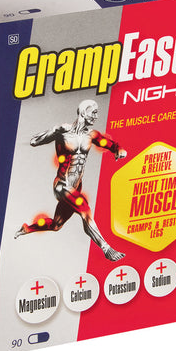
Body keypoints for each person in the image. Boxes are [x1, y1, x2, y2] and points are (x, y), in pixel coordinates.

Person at [15, 99, 127, 261]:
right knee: (84, 209)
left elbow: (110, 144)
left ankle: (26, 229)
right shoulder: (63, 132)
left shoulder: (91, 135)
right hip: (62, 185)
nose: (96, 116)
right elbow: (34, 141)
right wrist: (54, 131)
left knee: (56, 225)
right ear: (83, 112)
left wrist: (118, 149)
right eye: (93, 112)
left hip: (76, 187)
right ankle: (106, 248)